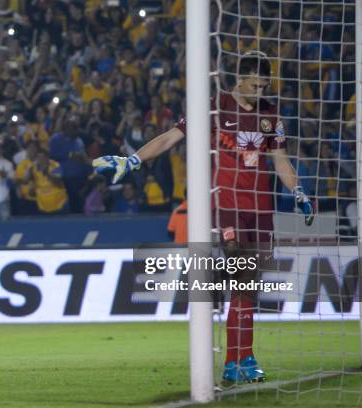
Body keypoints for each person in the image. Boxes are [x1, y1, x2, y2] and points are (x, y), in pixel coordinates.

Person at [93, 51, 314, 384]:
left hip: (260, 207)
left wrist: (298, 191)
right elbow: (171, 136)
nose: (260, 92)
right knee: (241, 268)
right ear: (241, 79)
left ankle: (243, 359)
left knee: (248, 285)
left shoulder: (271, 115)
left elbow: (281, 160)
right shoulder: (214, 108)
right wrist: (133, 161)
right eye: (255, 85)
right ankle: (234, 361)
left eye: (265, 86)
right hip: (226, 205)